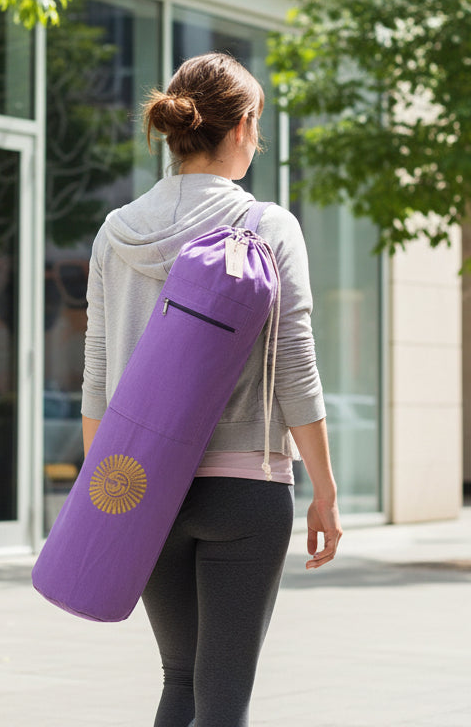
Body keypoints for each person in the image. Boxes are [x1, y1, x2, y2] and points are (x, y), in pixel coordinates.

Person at [81, 52, 342, 727]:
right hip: (245, 488)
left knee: (180, 680)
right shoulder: (268, 227)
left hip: (142, 487)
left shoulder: (115, 233)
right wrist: (325, 490)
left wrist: (101, 494)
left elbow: (97, 376)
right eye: (259, 125)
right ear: (243, 126)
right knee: (223, 700)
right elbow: (295, 369)